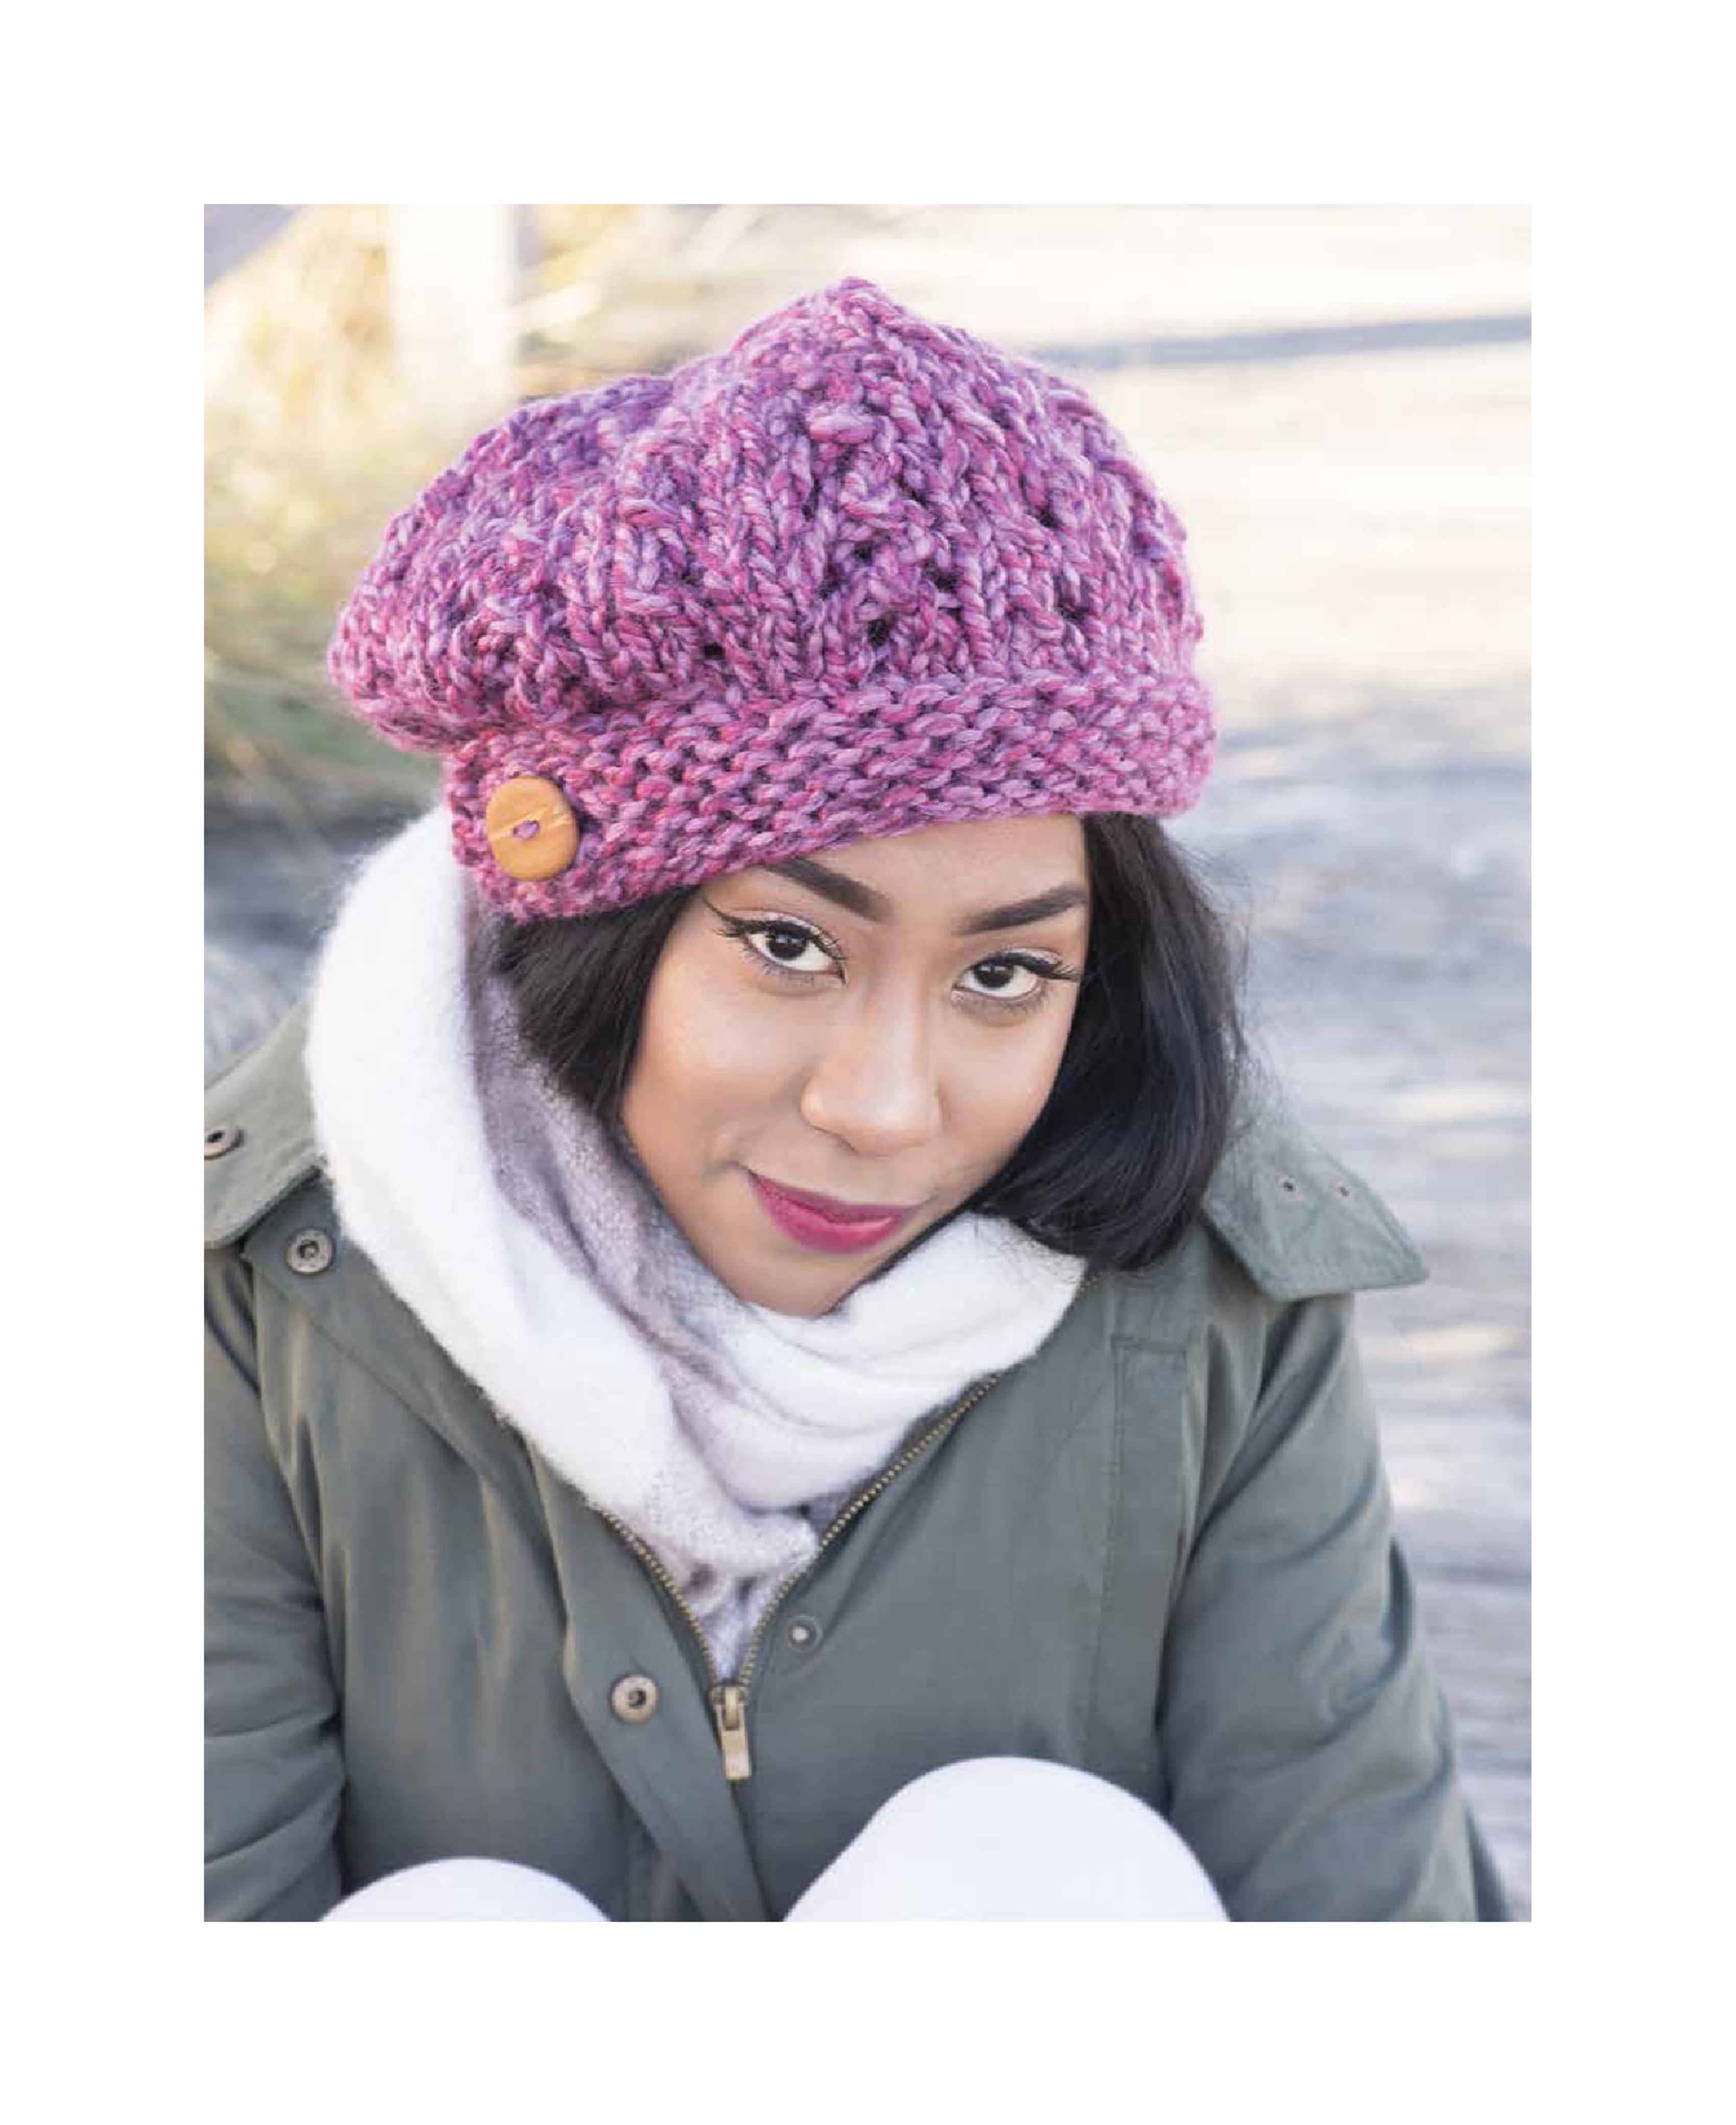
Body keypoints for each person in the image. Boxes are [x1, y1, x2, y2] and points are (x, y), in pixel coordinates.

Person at [205, 275, 1509, 1921]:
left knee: (1034, 1863)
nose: (886, 1109)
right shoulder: (265, 1295)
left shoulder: (1219, 1287)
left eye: (1005, 973)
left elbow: (1361, 1909)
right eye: (788, 946)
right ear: (592, 933)